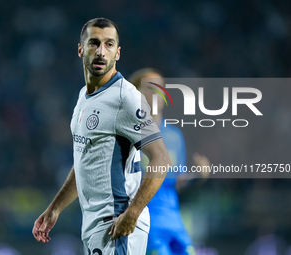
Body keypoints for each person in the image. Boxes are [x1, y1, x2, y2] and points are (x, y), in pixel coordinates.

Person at [32, 18, 171, 255]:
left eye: (108, 45)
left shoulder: (126, 98)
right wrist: (55, 208)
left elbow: (161, 159)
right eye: (94, 43)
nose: (100, 52)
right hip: (94, 224)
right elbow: (86, 162)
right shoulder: (83, 98)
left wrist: (133, 213)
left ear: (117, 53)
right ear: (80, 49)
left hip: (118, 222)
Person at [129, 68, 210, 255]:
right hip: (145, 221)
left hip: (173, 219)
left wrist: (198, 175)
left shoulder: (174, 135)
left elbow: (177, 182)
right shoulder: (128, 134)